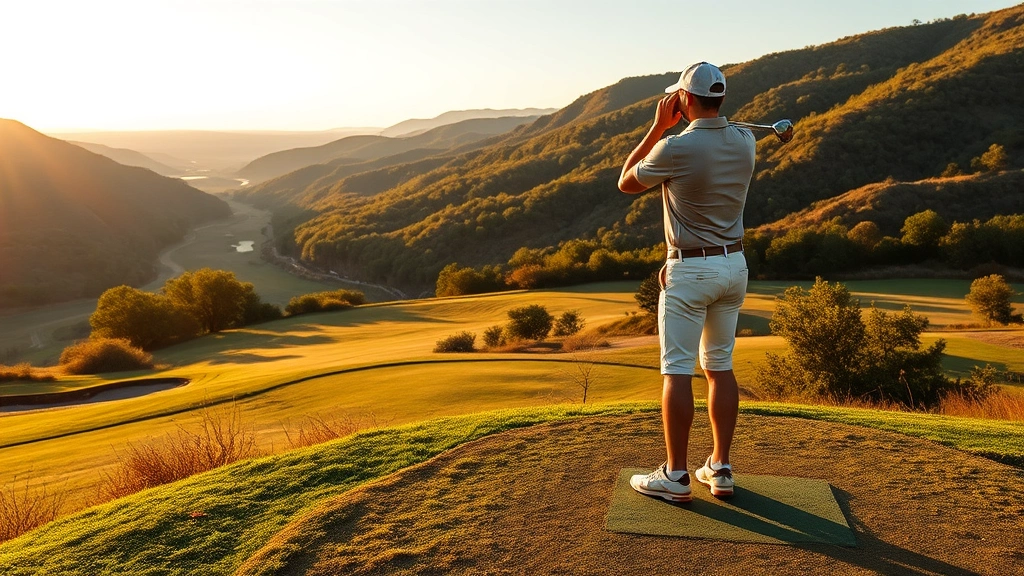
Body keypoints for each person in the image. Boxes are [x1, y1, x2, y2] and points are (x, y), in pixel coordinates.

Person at [617, 62, 755, 501]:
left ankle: (676, 475)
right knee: (719, 366)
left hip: (690, 270)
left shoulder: (674, 147)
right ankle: (720, 467)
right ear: (722, 97)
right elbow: (726, 132)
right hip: (734, 268)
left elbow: (626, 182)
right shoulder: (747, 141)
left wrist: (657, 126)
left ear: (683, 99)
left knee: (677, 371)